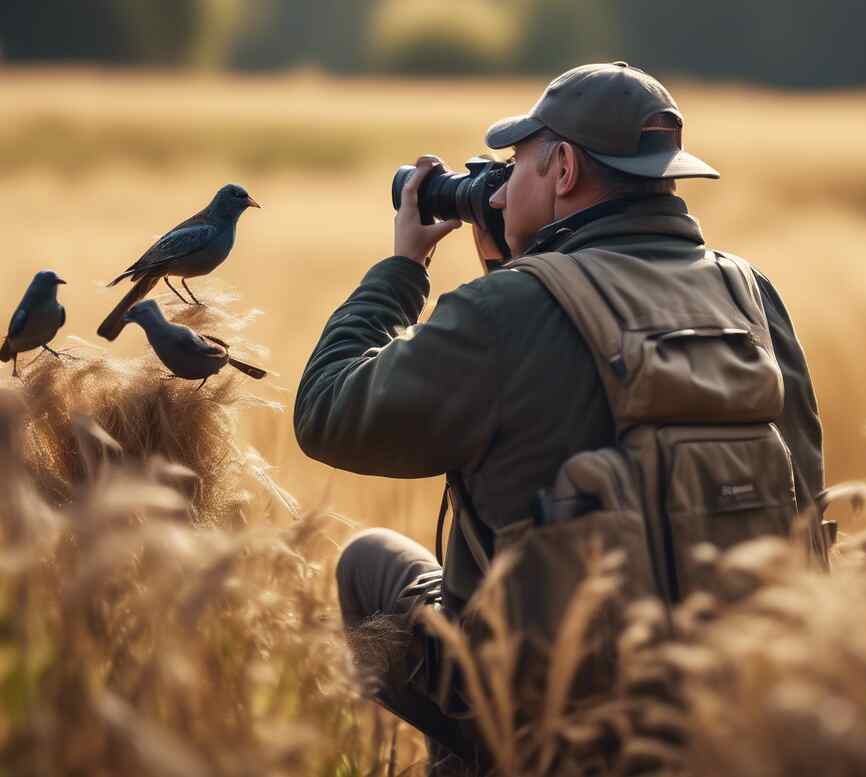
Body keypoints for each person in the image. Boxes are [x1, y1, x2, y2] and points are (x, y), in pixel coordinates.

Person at [293, 62, 823, 774]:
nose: (501, 191)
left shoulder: (507, 314)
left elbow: (327, 409)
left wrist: (403, 268)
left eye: (515, 168)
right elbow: (808, 503)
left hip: (562, 733)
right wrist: (515, 272)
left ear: (565, 168)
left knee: (369, 565)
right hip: (736, 714)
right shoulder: (752, 294)